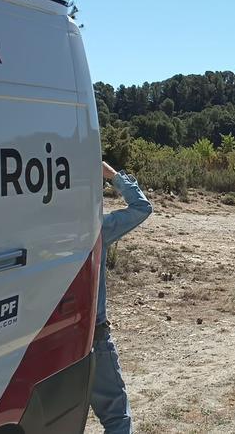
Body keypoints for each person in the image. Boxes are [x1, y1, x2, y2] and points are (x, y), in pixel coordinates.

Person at [91, 161, 153, 434]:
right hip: (92, 334)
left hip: (46, 337)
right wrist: (114, 176)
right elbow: (142, 207)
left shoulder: (36, 232)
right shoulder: (96, 229)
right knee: (117, 419)